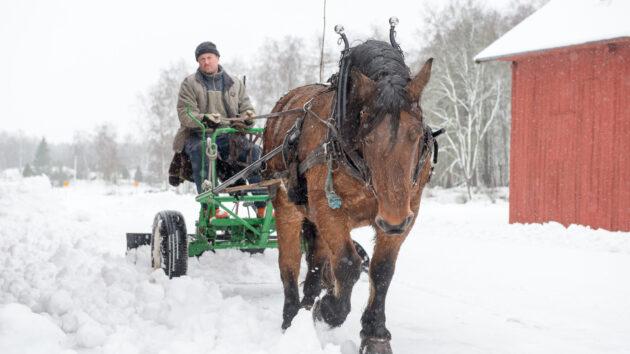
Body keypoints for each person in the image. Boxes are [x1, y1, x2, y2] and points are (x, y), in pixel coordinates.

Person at [173, 41, 267, 218]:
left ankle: (262, 207)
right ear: (198, 63)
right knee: (203, 151)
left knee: (254, 152)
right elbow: (185, 114)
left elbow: (247, 108)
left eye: (209, 58)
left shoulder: (235, 83)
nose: (206, 62)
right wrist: (205, 119)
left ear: (217, 58)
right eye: (202, 59)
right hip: (198, 136)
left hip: (228, 136)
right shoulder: (189, 84)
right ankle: (210, 207)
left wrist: (247, 119)